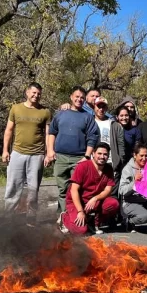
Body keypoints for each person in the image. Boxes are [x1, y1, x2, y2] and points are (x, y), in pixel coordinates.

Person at [1, 82, 53, 225]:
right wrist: (5, 150)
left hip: (37, 155)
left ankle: (31, 218)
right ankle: (8, 217)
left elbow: (48, 134)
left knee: (33, 189)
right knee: (13, 186)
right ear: (27, 93)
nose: (36, 96)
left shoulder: (45, 112)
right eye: (34, 93)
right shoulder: (16, 108)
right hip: (17, 153)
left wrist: (49, 153)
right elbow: (9, 130)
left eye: (39, 94)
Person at [47, 86, 99, 215]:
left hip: (79, 158)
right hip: (60, 157)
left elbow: (92, 137)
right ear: (71, 97)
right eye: (77, 97)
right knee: (62, 189)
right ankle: (63, 215)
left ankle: (77, 216)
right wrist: (50, 151)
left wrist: (87, 156)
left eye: (82, 98)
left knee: (77, 189)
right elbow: (52, 132)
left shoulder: (87, 117)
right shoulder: (61, 114)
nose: (79, 99)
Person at [60, 143, 120, 235]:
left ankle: (93, 223)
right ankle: (64, 218)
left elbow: (108, 190)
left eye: (105, 154)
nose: (102, 157)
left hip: (94, 201)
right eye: (99, 153)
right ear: (93, 153)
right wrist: (80, 211)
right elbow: (74, 190)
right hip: (77, 201)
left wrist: (95, 198)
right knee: (80, 231)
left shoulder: (108, 168)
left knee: (113, 203)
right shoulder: (83, 166)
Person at [118, 145, 147, 234]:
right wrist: (135, 182)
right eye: (141, 156)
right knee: (145, 216)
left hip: (146, 200)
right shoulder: (127, 169)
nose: (144, 158)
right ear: (135, 155)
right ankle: (129, 222)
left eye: (146, 156)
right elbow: (122, 191)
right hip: (130, 202)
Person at [92, 97, 125, 195]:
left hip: (111, 163)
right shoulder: (89, 122)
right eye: (98, 106)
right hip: (94, 163)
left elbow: (121, 146)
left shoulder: (115, 125)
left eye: (103, 107)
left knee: (111, 194)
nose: (101, 109)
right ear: (94, 107)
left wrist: (119, 161)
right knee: (93, 191)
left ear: (106, 108)